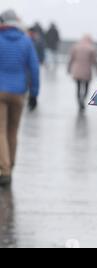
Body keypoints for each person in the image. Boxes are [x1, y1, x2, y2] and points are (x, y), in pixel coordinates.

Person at [0, 10, 40, 186]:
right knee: (13, 131)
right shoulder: (26, 40)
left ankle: (5, 169)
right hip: (18, 92)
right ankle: (11, 165)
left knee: (0, 131)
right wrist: (34, 93)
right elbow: (34, 68)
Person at [68, 35, 97, 111]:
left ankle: (79, 101)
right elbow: (95, 61)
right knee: (86, 87)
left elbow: (71, 59)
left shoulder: (75, 47)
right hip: (87, 71)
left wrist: (69, 69)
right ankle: (83, 99)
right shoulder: (91, 48)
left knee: (78, 87)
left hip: (77, 71)